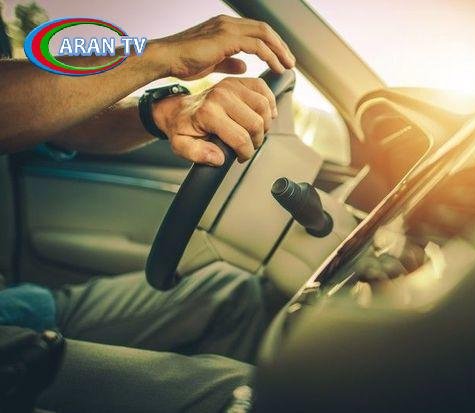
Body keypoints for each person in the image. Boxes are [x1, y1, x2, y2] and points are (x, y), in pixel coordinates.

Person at [0, 13, 295, 413]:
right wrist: (162, 54)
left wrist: (162, 112)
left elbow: (49, 117)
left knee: (234, 293)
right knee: (245, 395)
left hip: (15, 305)